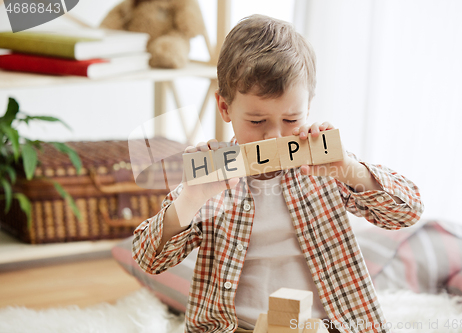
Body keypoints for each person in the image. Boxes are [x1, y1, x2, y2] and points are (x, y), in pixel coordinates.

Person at [132, 14, 424, 333]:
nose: (274, 137)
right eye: (257, 121)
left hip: (322, 326)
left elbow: (408, 213)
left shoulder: (326, 164)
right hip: (236, 327)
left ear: (308, 106)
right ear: (225, 107)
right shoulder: (212, 177)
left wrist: (348, 169)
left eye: (290, 119)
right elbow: (149, 259)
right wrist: (191, 198)